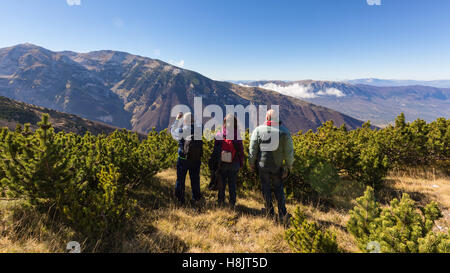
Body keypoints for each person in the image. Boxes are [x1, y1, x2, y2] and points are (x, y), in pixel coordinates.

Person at [248, 109, 294, 223]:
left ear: (267, 118)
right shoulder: (284, 132)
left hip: (262, 165)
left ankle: (269, 212)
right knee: (279, 188)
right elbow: (289, 152)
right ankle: (283, 213)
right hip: (277, 166)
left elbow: (253, 149)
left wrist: (251, 163)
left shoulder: (258, 130)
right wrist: (289, 166)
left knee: (265, 188)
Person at [209, 114, 244, 208]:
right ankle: (232, 203)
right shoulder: (237, 135)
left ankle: (220, 201)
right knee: (232, 184)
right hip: (234, 162)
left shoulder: (219, 134)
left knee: (222, 183)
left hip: (222, 163)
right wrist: (241, 163)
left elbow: (215, 149)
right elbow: (241, 150)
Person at [170, 112, 203, 207]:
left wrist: (177, 120)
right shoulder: (198, 130)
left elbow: (172, 131)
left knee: (180, 179)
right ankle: (196, 199)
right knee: (195, 180)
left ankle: (180, 200)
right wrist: (194, 120)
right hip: (196, 159)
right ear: (193, 121)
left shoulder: (181, 130)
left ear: (184, 121)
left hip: (183, 159)